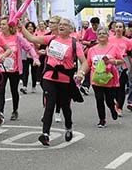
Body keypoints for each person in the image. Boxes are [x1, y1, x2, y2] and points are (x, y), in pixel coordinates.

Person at [21, 17, 88, 146]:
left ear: (70, 29)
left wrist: (81, 72)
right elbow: (31, 38)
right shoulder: (51, 39)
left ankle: (68, 127)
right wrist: (21, 27)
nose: (61, 26)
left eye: (65, 25)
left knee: (65, 106)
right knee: (49, 104)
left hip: (65, 79)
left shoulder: (74, 43)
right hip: (49, 76)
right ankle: (45, 134)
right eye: (60, 24)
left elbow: (84, 62)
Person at [0, 18, 37, 122]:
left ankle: (15, 110)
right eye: (1, 24)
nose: (2, 26)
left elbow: (29, 47)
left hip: (14, 69)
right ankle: (0, 112)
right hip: (1, 68)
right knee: (1, 90)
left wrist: (35, 58)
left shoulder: (17, 37)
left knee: (14, 90)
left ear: (10, 26)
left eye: (4, 24)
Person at [87, 26, 123, 127]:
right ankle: (102, 120)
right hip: (96, 79)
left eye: (104, 33)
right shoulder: (92, 49)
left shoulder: (113, 48)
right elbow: (88, 64)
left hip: (108, 78)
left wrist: (113, 61)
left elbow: (121, 60)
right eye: (99, 34)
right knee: (99, 99)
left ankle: (112, 108)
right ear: (97, 36)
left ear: (108, 35)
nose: (102, 35)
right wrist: (81, 73)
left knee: (109, 100)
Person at [20, 20, 40, 94]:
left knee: (34, 72)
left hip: (34, 56)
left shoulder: (36, 36)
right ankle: (24, 86)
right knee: (25, 71)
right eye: (28, 27)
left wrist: (33, 41)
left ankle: (33, 86)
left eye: (31, 27)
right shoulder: (22, 36)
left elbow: (38, 46)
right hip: (25, 55)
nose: (30, 28)